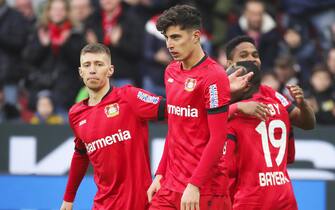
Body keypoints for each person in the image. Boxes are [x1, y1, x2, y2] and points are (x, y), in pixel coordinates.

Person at [148, 5, 253, 210]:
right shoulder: (170, 72)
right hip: (171, 185)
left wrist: (194, 185)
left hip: (205, 188)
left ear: (196, 36)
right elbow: (175, 129)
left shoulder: (213, 77)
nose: (169, 44)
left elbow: (218, 137)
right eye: (167, 38)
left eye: (176, 37)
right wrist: (160, 174)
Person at [60, 43, 166, 210]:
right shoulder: (76, 113)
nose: (92, 70)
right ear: (81, 72)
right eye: (87, 65)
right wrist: (68, 198)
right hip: (102, 204)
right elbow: (81, 154)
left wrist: (162, 173)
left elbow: (175, 113)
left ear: (110, 70)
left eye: (99, 64)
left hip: (138, 203)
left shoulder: (129, 97)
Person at [223, 61, 298, 209]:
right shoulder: (281, 110)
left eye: (231, 82)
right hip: (285, 197)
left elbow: (226, 168)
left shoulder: (236, 116)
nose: (226, 88)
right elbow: (290, 156)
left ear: (245, 85)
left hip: (251, 199)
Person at [224, 35, 315, 130]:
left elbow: (308, 124)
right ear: (230, 64)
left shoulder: (269, 93)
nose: (252, 59)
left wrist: (302, 104)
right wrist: (238, 107)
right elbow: (208, 124)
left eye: (255, 55)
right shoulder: (217, 91)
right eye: (243, 55)